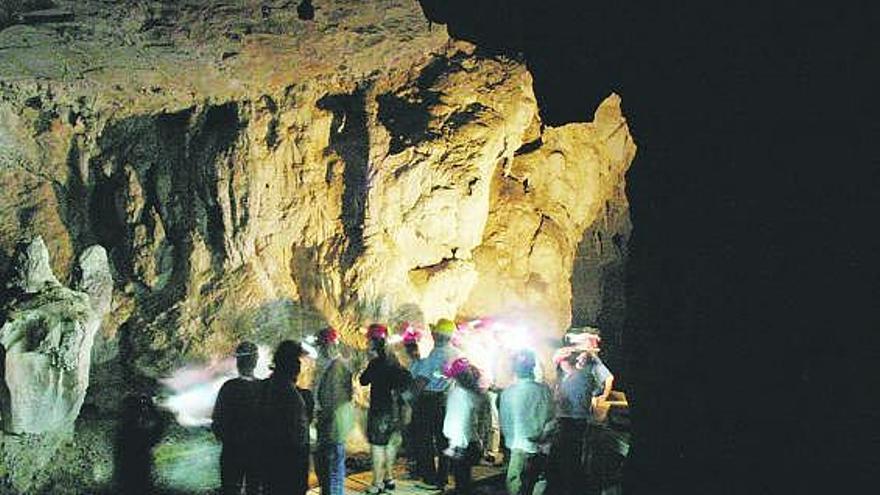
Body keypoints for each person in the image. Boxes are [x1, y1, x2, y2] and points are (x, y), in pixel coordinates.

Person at [359, 323, 412, 494]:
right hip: (395, 411)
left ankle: (377, 483)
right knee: (390, 445)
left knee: (377, 447)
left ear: (373, 343)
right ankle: (389, 478)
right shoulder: (396, 362)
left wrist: (370, 361)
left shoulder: (376, 363)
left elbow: (363, 380)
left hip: (380, 410)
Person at [257, 340, 311, 495]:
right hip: (290, 461)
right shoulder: (295, 396)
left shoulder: (265, 388)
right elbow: (299, 435)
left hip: (269, 459)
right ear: (294, 367)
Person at [412, 318, 459, 489]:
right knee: (442, 439)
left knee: (424, 439)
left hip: (430, 399)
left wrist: (410, 398)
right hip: (446, 398)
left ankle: (430, 478)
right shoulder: (456, 353)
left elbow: (422, 380)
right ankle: (443, 476)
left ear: (438, 335)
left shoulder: (437, 354)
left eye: (434, 332)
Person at [500, 349, 555, 495]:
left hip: (517, 448)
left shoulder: (507, 393)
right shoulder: (544, 390)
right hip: (540, 447)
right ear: (533, 367)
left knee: (516, 486)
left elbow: (505, 422)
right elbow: (551, 420)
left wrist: (510, 441)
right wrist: (543, 437)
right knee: (537, 483)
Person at [212, 342, 262, 495]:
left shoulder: (229, 388)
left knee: (230, 489)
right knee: (254, 489)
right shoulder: (265, 388)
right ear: (255, 361)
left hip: (232, 451)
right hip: (257, 451)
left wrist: (227, 438)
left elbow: (217, 421)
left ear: (238, 362)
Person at [313, 326, 354, 495]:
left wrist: (321, 419)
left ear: (327, 346)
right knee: (332, 467)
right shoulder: (336, 365)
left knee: (333, 469)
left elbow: (333, 400)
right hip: (335, 423)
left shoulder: (336, 368)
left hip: (332, 425)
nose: (320, 350)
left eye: (321, 346)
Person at [441, 357, 487, 495]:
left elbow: (458, 422)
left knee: (461, 483)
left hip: (460, 444)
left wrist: (454, 446)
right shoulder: (474, 395)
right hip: (471, 442)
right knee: (465, 480)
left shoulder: (457, 395)